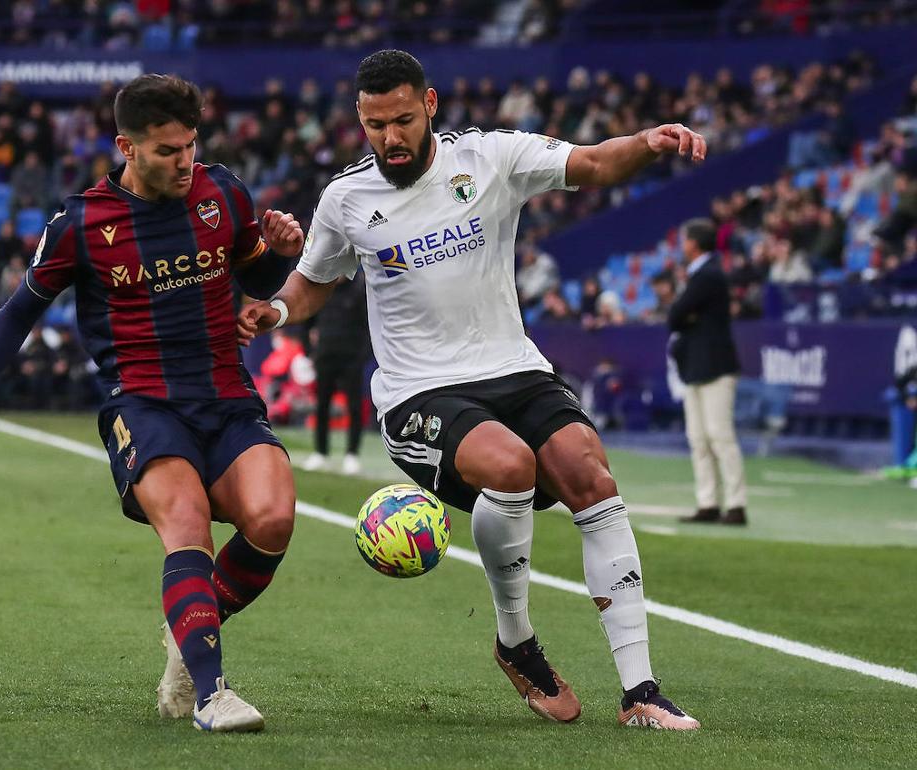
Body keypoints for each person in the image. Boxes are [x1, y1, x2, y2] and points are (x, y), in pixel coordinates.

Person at [238, 50, 704, 730]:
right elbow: (313, 281)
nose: (390, 138)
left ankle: (640, 692)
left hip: (513, 366)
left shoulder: (491, 158)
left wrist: (649, 141)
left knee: (590, 474)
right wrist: (275, 311)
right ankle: (516, 639)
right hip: (417, 393)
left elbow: (598, 163)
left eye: (401, 120)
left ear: (429, 106)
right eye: (374, 125)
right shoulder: (346, 199)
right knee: (510, 464)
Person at [0, 75, 304, 733]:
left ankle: (188, 636)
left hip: (227, 396)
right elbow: (18, 311)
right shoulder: (83, 221)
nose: (183, 162)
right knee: (187, 526)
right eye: (166, 150)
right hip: (143, 403)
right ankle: (211, 695)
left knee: (273, 521)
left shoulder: (223, 191)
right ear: (127, 145)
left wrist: (281, 254)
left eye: (190, 146)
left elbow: (255, 274)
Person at [669, 218, 747, 526]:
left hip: (714, 366)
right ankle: (709, 502)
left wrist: (686, 316)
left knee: (719, 435)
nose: (681, 245)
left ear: (695, 243)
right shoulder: (703, 274)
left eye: (685, 240)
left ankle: (737, 504)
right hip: (698, 366)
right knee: (699, 438)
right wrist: (687, 317)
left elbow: (676, 314)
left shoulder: (708, 275)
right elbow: (680, 316)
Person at [302, 274, 371, 474]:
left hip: (351, 358)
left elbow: (368, 325)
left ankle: (352, 454)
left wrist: (361, 356)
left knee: (354, 407)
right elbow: (308, 323)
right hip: (325, 357)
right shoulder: (321, 290)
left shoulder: (359, 289)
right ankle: (321, 453)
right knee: (322, 405)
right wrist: (309, 353)